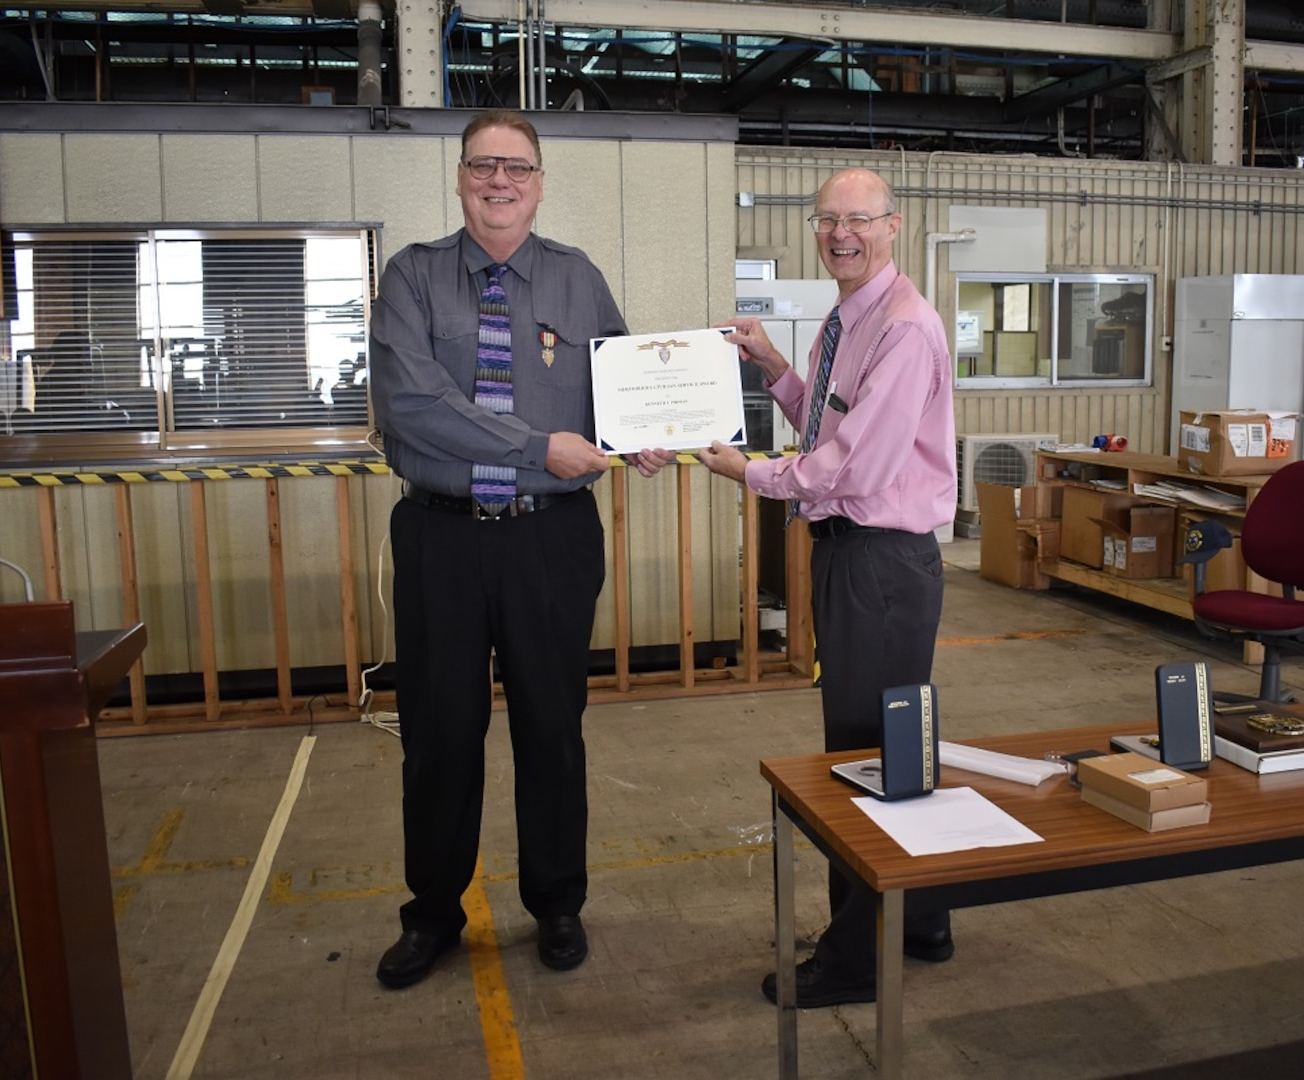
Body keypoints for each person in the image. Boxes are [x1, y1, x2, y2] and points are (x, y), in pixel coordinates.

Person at [368, 109, 666, 989]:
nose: (500, 182)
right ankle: (433, 914)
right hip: (442, 541)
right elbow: (412, 402)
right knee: (439, 734)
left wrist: (648, 430)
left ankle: (559, 904)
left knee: (551, 726)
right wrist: (536, 446)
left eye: (518, 169)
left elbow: (620, 386)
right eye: (483, 166)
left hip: (552, 541)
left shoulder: (579, 281)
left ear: (540, 182)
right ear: (460, 177)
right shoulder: (412, 279)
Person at [693, 167, 957, 1009]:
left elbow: (855, 465)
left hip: (879, 560)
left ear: (894, 225)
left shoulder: (904, 328)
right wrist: (774, 367)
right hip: (866, 556)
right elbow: (832, 424)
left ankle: (853, 960)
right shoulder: (848, 321)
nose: (841, 233)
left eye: (859, 220)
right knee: (896, 745)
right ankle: (920, 922)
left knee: (863, 756)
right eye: (827, 221)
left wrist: (750, 472)